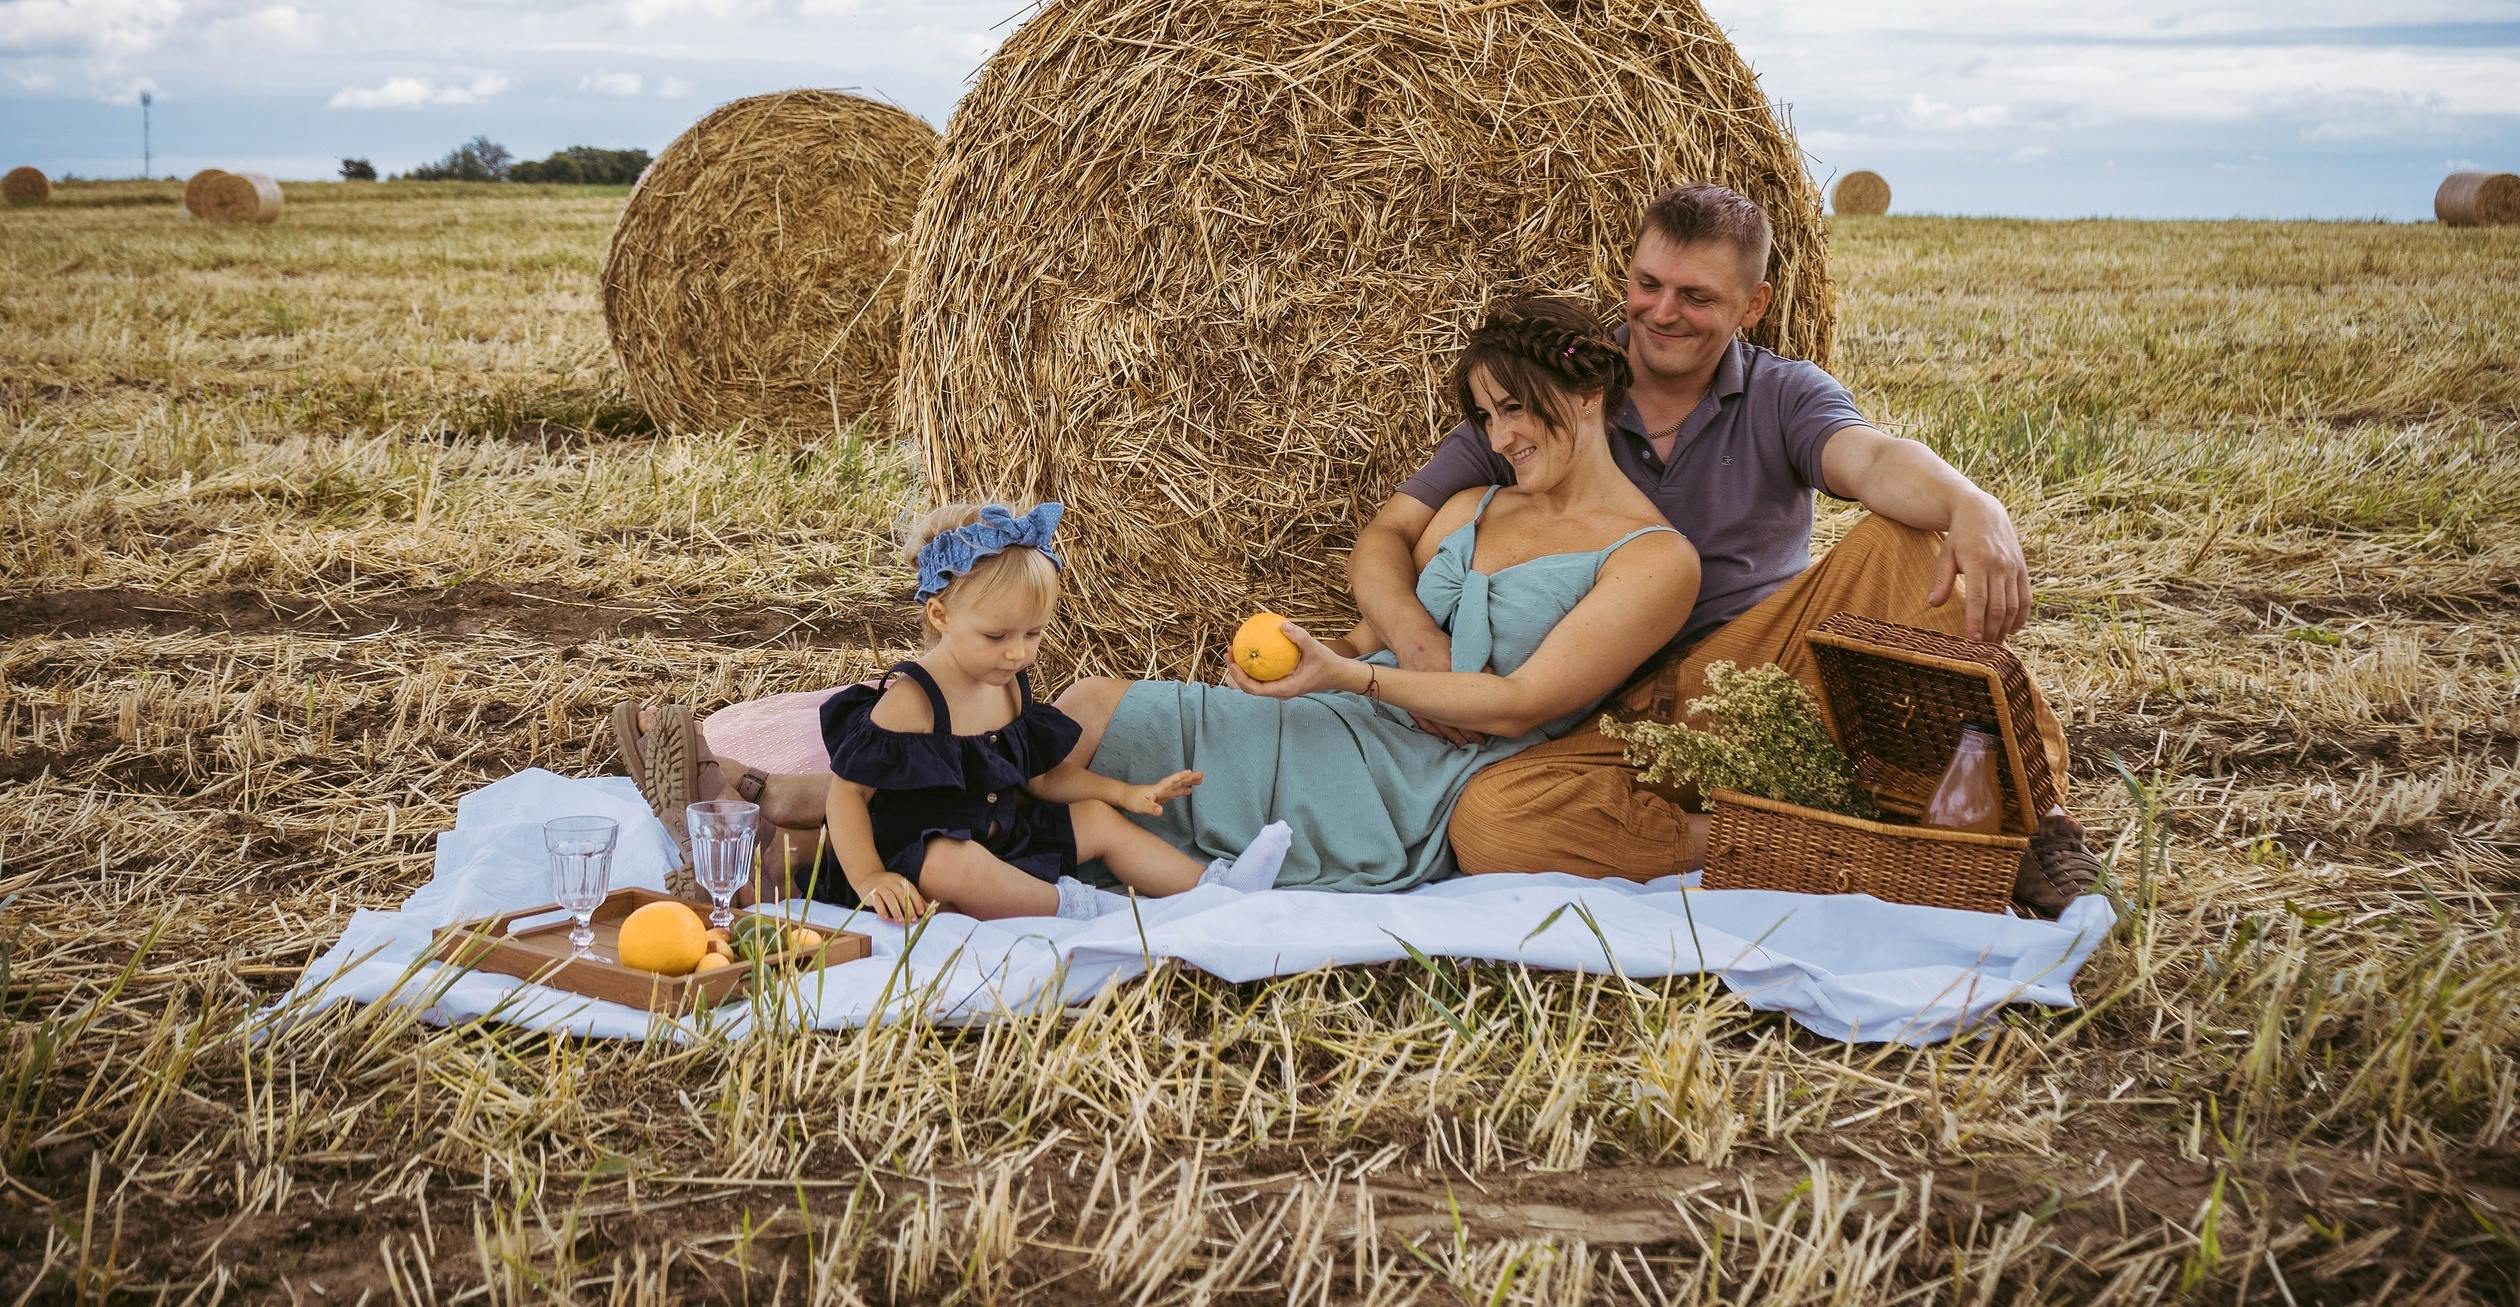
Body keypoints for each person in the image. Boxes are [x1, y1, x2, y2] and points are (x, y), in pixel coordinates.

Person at [1346, 183, 2085, 901]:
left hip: (1759, 677)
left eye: (1696, 296)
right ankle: (1817, 838)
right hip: (1596, 710)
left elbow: (1873, 459)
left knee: (1907, 542)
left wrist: (1971, 502)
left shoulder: (1783, 392)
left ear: (1754, 303)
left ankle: (2036, 817)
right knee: (1491, 823)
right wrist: (1414, 640)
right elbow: (1391, 531)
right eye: (1647, 283)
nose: (1661, 313)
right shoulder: (1553, 387)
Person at [1037, 297, 1702, 891]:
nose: (1500, 438)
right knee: (1089, 706)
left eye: (1516, 407)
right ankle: (956, 845)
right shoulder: (1473, 505)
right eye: (1487, 415)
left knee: (1092, 748)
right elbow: (1364, 640)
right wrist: (1305, 660)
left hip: (1423, 777)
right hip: (1347, 709)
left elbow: (1518, 706)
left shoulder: (1654, 558)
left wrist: (1350, 677)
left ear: (1588, 392)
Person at [801, 499, 1291, 922]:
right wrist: (869, 876)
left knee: (1095, 818)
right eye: (997, 637)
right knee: (954, 862)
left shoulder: (1008, 682)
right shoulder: (913, 700)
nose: (1019, 653)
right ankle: (1084, 908)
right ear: (940, 615)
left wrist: (1126, 793)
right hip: (917, 862)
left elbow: (1041, 779)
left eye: (1033, 634)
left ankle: (1218, 889)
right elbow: (846, 796)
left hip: (1005, 843)